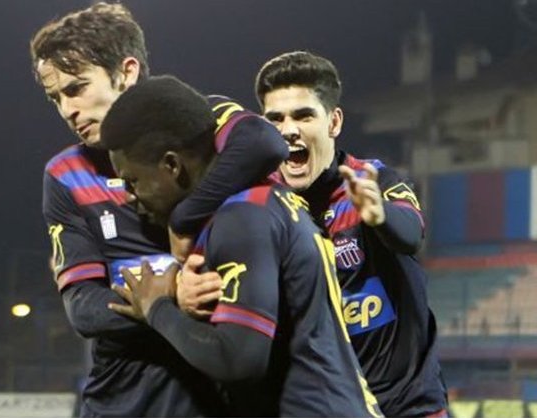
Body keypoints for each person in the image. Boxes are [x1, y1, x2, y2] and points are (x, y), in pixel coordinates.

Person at [29, 3, 287, 416]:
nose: (66, 110)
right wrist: (168, 295)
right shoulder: (66, 174)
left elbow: (266, 143)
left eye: (76, 88)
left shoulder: (198, 122)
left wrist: (184, 219)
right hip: (123, 400)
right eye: (55, 97)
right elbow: (83, 308)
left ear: (127, 72)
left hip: (221, 394)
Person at [100, 74, 383, 417]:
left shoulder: (241, 217)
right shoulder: (260, 201)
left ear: (172, 165)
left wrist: (157, 309)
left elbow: (239, 360)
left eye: (133, 181)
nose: (130, 196)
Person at [253, 51, 448, 417]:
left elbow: (410, 234)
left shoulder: (374, 180)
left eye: (303, 115)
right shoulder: (263, 205)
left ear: (334, 122)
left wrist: (379, 215)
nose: (288, 129)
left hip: (406, 407)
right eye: (275, 118)